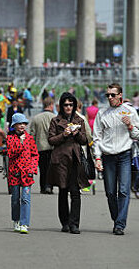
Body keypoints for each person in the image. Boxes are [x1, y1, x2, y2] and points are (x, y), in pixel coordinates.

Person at [93, 83, 139, 236]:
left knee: (123, 190)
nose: (109, 97)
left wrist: (130, 126)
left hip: (124, 154)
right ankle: (117, 217)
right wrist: (97, 157)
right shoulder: (102, 113)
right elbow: (97, 138)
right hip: (108, 156)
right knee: (110, 192)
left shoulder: (130, 111)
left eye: (112, 95)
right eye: (107, 95)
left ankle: (120, 224)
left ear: (120, 95)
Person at [48, 93, 89, 234]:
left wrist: (76, 133)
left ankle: (74, 223)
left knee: (76, 192)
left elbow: (84, 140)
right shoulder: (55, 120)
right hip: (61, 160)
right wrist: (63, 135)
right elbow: (51, 140)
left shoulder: (80, 120)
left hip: (75, 160)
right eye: (66, 104)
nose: (68, 107)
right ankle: (65, 222)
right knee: (63, 191)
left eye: (71, 104)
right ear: (61, 105)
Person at [7, 113, 39, 234]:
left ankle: (24, 223)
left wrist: (33, 168)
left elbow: (35, 154)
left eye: (24, 124)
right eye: (19, 124)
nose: (22, 126)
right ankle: (16, 220)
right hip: (14, 173)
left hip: (27, 174)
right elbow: (11, 153)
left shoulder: (30, 138)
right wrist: (20, 144)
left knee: (25, 199)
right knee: (15, 199)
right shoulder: (10, 138)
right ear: (14, 125)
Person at [29, 97, 56, 194]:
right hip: (53, 147)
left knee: (43, 168)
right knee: (51, 169)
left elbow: (32, 135)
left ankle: (43, 187)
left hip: (40, 147)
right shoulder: (54, 117)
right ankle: (49, 186)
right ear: (51, 105)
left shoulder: (36, 118)